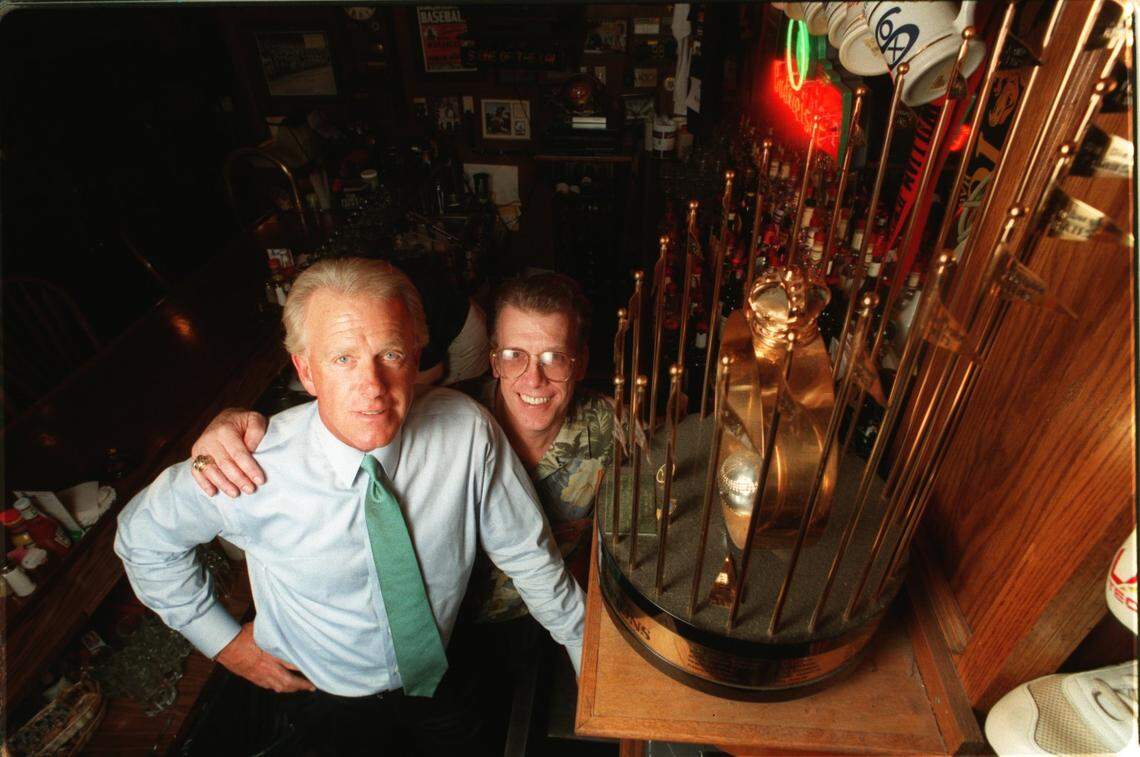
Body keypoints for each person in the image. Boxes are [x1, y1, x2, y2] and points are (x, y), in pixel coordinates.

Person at [115, 258, 585, 756]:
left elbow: (528, 555)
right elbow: (142, 541)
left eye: (391, 354)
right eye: (343, 358)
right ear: (305, 370)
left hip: (445, 672)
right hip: (323, 699)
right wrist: (224, 644)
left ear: (417, 356)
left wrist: (590, 661)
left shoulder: (467, 430)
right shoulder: (247, 466)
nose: (373, 387)